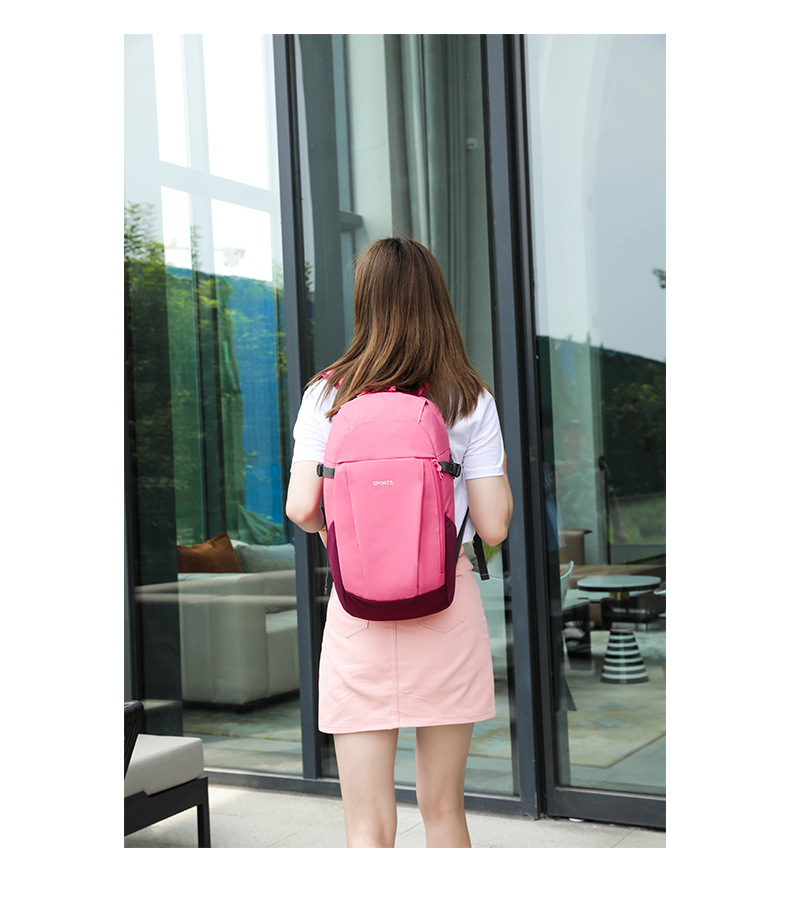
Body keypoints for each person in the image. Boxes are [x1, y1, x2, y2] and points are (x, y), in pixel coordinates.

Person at [286, 237, 513, 848]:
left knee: (367, 826)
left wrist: (346, 530)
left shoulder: (328, 394)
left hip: (358, 605)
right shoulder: (469, 397)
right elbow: (493, 527)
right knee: (444, 811)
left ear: (365, 302)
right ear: (437, 301)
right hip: (445, 603)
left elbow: (301, 507)